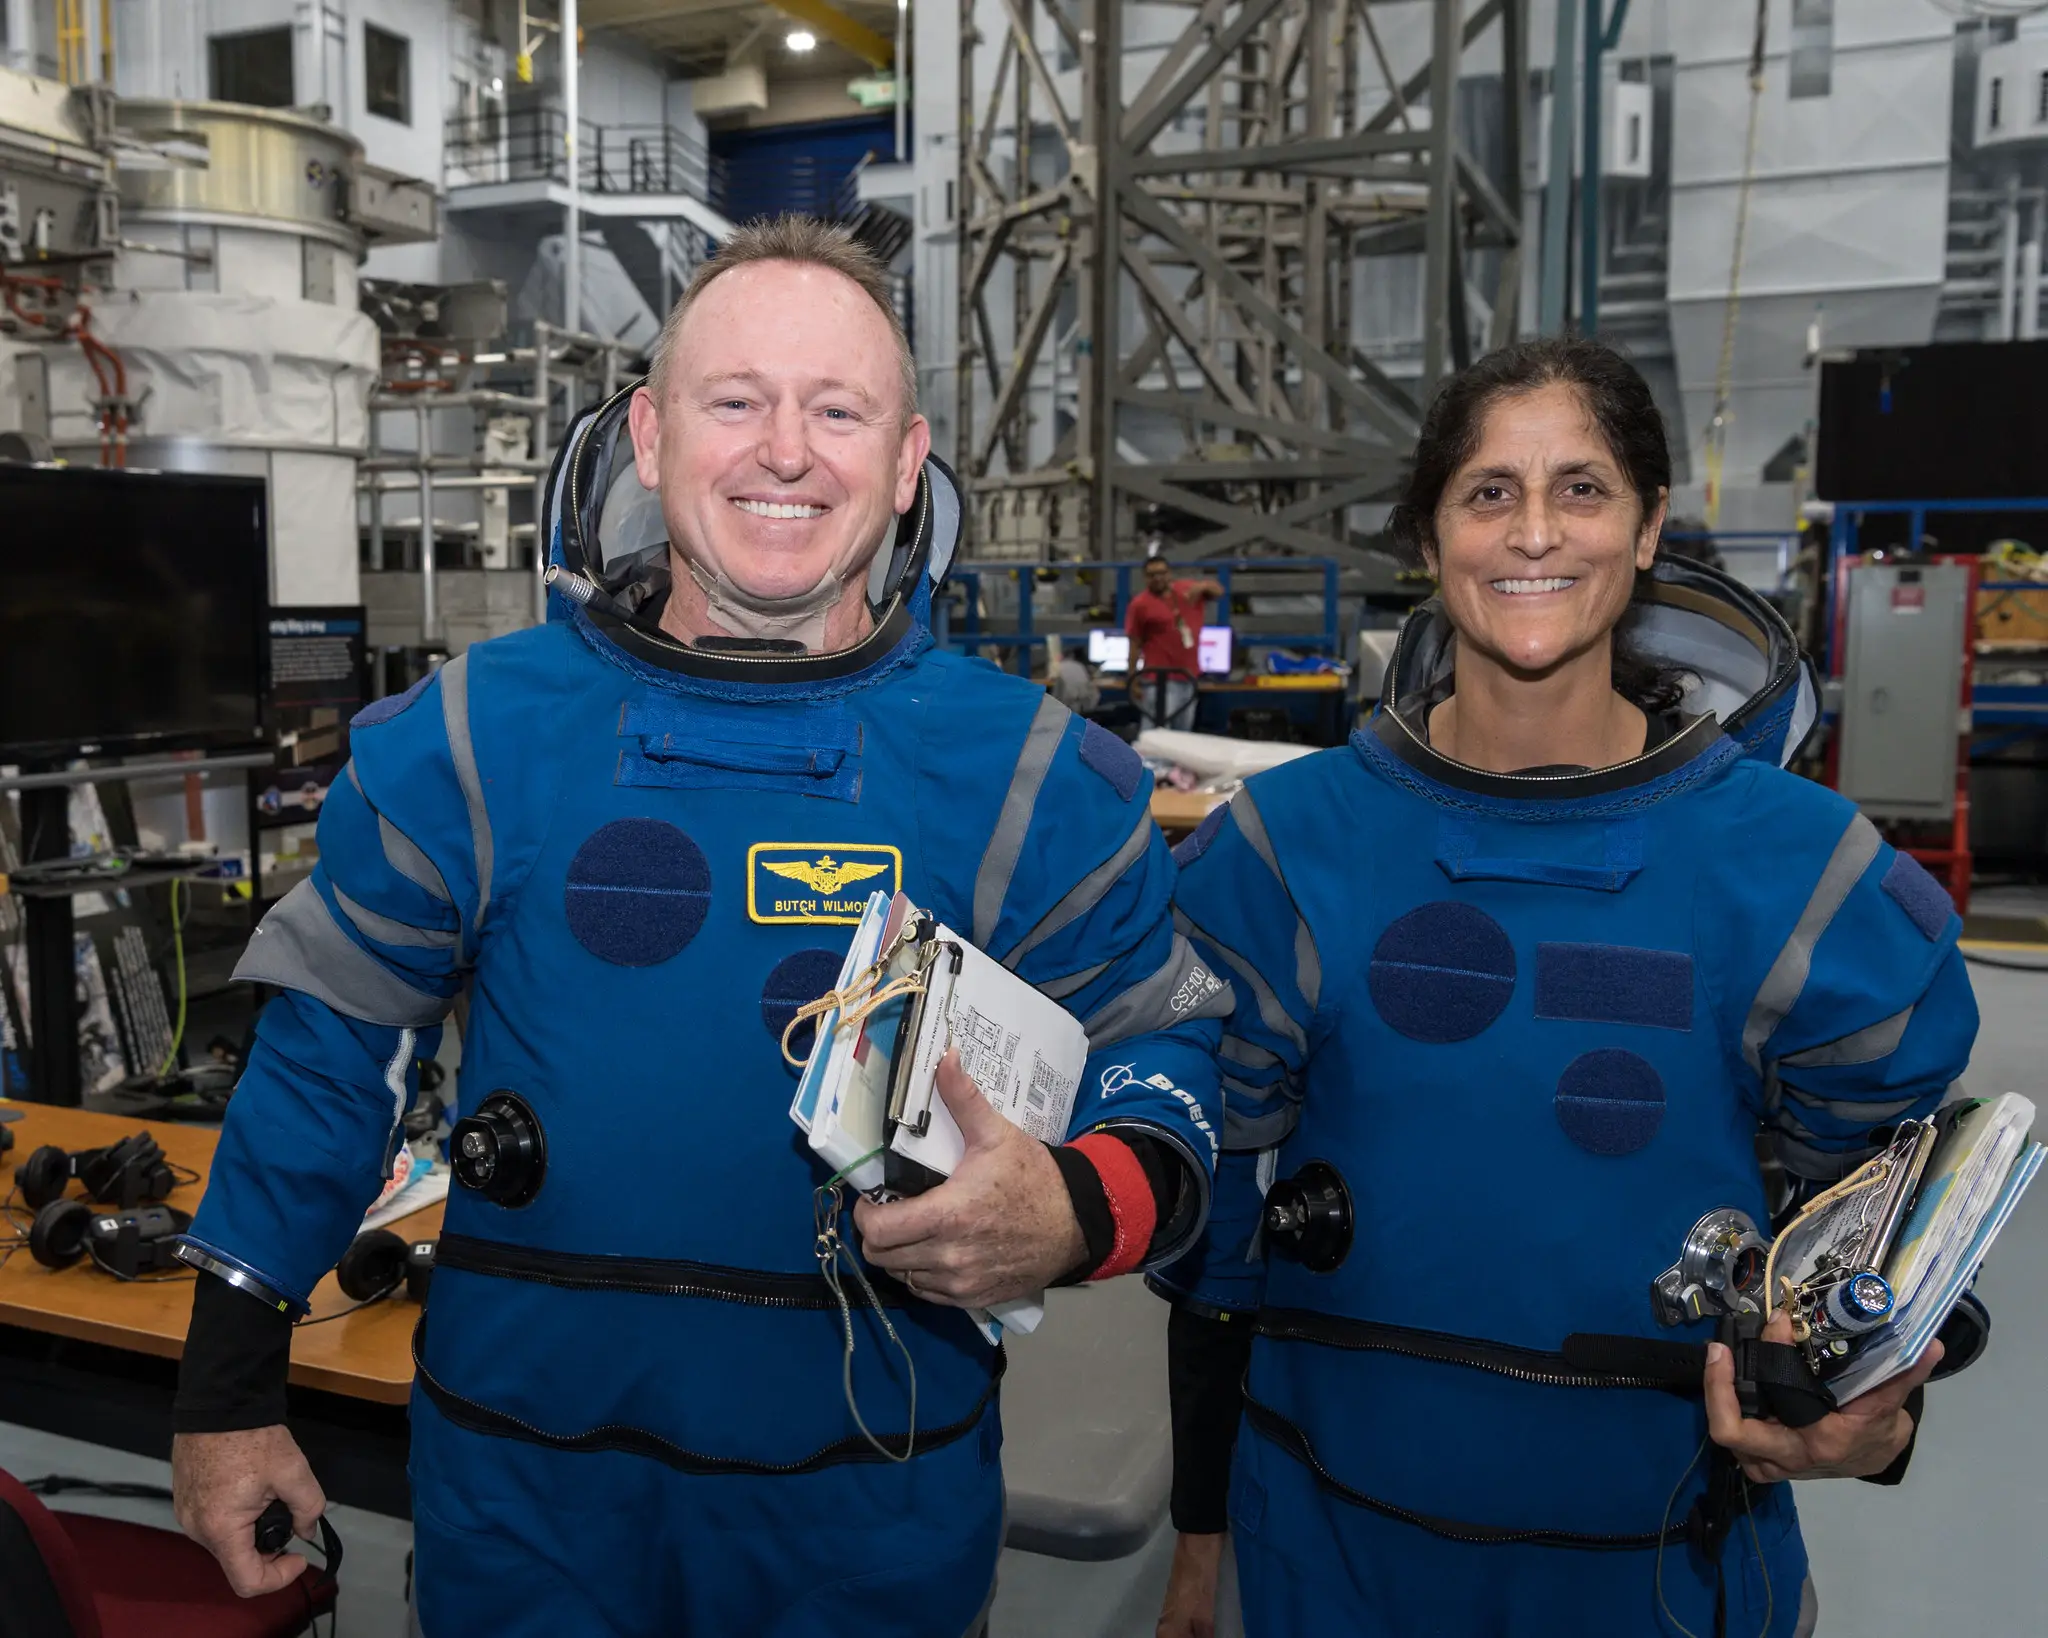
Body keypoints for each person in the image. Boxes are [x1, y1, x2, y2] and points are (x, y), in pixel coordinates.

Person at [169, 218, 1229, 1637]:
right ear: (653, 438)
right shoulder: (473, 741)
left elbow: (1172, 1078)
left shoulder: (1033, 781)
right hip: (523, 1508)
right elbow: (323, 1072)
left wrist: (1075, 1207)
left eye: (836, 409)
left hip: (870, 1517)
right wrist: (226, 1396)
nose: (784, 451)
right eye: (736, 401)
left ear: (908, 463)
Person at [1150, 337, 1979, 1638]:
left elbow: (1876, 1260)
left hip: (1662, 1571)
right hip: (1331, 1558)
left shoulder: (1810, 885)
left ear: (1650, 527)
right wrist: (1201, 1541)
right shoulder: (1279, 858)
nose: (1534, 531)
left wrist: (1872, 1423)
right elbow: (1216, 1262)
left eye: (1581, 489)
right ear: (1429, 539)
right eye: (1488, 492)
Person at [1125, 555, 1224, 730]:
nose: (1157, 578)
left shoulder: (1186, 589)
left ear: (1169, 573)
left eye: (1161, 573)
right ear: (1145, 578)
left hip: (1188, 678)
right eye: (1152, 574)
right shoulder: (1140, 604)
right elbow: (1134, 644)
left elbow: (1219, 591)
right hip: (1159, 680)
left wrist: (1201, 586)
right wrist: (1132, 680)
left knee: (1181, 739)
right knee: (1157, 735)